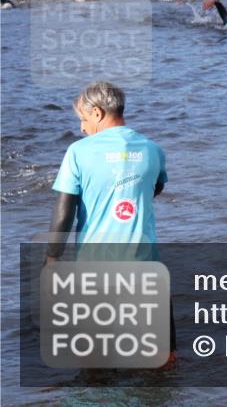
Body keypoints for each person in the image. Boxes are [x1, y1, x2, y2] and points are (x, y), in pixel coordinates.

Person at [44, 81, 175, 363]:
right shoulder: (152, 149)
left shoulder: (78, 152)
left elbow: (64, 212)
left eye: (83, 119)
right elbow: (155, 189)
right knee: (162, 356)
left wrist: (52, 257)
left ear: (98, 113)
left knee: (95, 358)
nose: (81, 127)